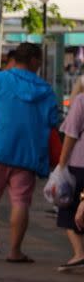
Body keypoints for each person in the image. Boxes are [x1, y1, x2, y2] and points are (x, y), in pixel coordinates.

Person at [0, 42, 58, 263]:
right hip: (27, 155)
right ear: (34, 60)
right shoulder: (45, 90)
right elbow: (53, 123)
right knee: (21, 201)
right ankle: (15, 251)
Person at [57, 75, 84, 272]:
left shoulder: (81, 101)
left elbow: (71, 134)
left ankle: (79, 253)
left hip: (79, 164)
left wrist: (61, 163)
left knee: (68, 209)